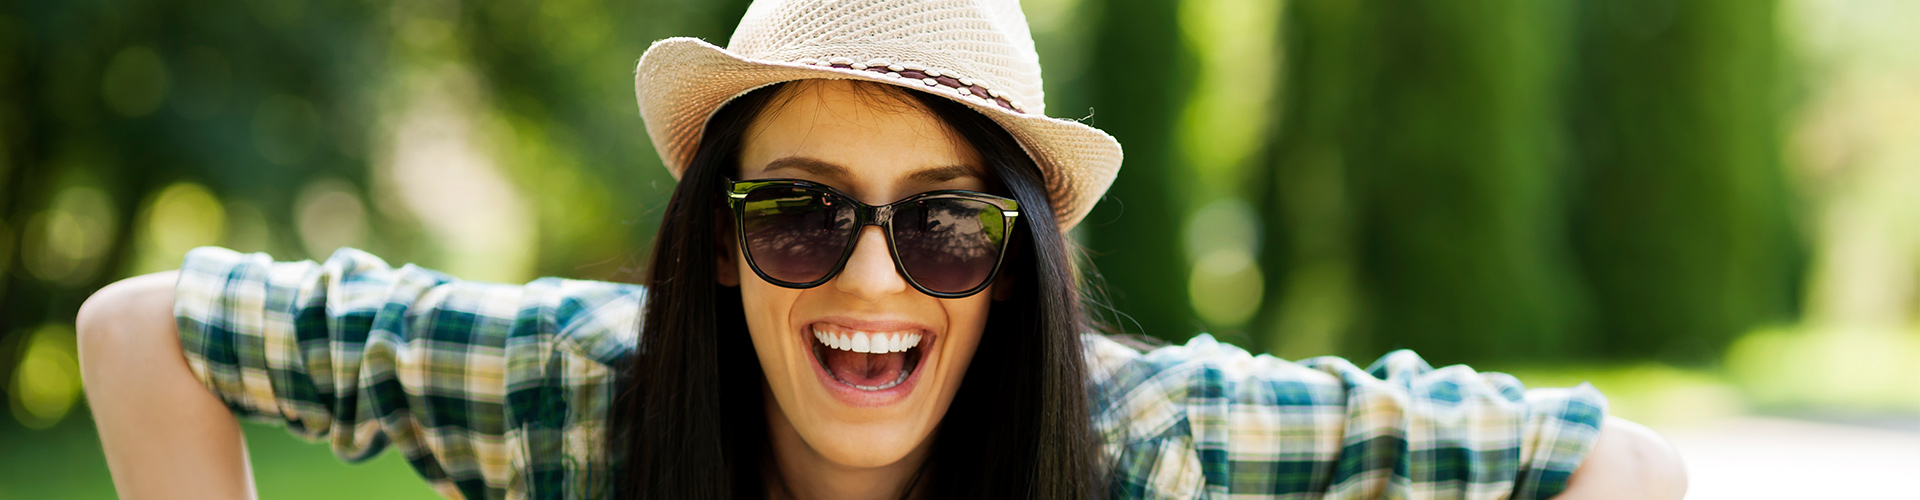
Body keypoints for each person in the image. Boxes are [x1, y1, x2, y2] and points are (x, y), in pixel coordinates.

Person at [75, 0, 1686, 498]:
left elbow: (1622, 470)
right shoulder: (580, 391)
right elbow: (146, 325)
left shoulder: (1160, 440)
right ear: (715, 245)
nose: (868, 280)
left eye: (943, 227)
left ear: (1027, 263)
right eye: (796, 212)